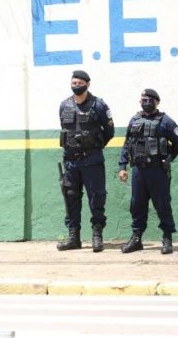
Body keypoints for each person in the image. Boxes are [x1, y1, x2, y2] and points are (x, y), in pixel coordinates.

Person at [118, 88, 178, 255]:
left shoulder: (166, 121)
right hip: (138, 171)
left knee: (162, 204)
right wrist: (122, 166)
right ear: (140, 101)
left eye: (150, 100)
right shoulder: (134, 120)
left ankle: (167, 238)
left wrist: (167, 159)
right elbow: (127, 143)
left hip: (157, 171)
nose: (146, 103)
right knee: (137, 205)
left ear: (157, 102)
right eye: (143, 100)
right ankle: (136, 239)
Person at [57, 70, 114, 252]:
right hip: (71, 162)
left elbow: (109, 132)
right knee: (71, 198)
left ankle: (97, 236)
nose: (77, 86)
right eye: (74, 83)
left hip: (92, 160)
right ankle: (74, 237)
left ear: (88, 84)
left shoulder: (99, 105)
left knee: (96, 198)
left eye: (80, 83)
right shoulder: (64, 105)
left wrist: (94, 146)